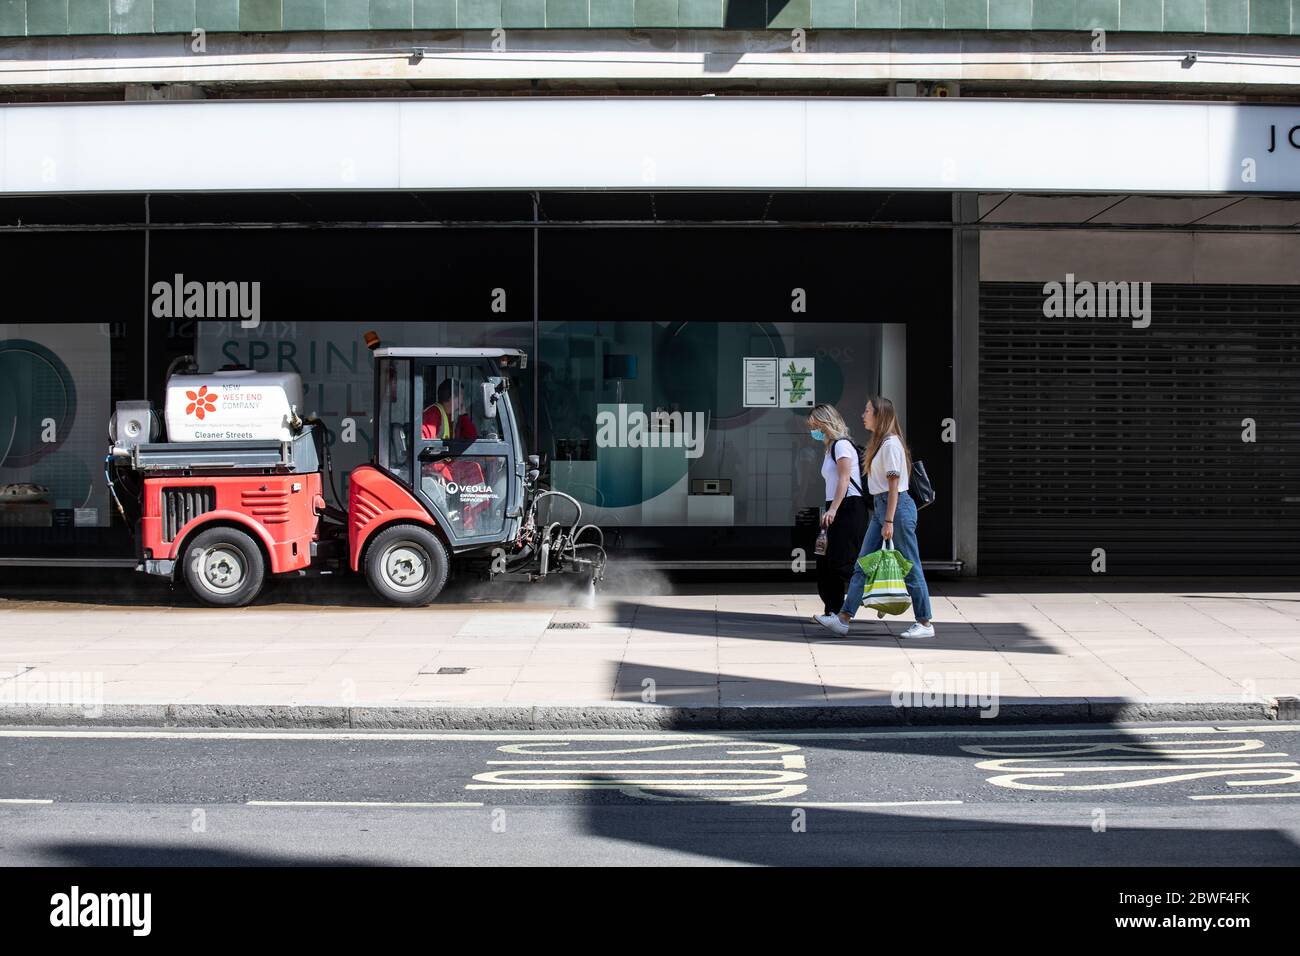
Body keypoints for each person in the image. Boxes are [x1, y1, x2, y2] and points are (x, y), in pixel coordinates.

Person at [815, 396, 934, 639]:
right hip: (883, 508)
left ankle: (924, 622)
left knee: (911, 566)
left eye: (867, 411)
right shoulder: (879, 443)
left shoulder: (891, 444)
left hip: (896, 508)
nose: (863, 415)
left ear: (879, 415)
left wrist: (888, 521)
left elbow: (893, 487)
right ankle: (843, 619)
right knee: (862, 564)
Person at [806, 404, 869, 618]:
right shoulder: (830, 447)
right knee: (825, 562)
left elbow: (844, 479)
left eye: (815, 425)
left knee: (842, 562)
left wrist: (833, 509)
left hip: (848, 507)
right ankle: (832, 610)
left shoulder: (842, 445)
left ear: (825, 423)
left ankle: (872, 592)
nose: (812, 430)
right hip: (837, 506)